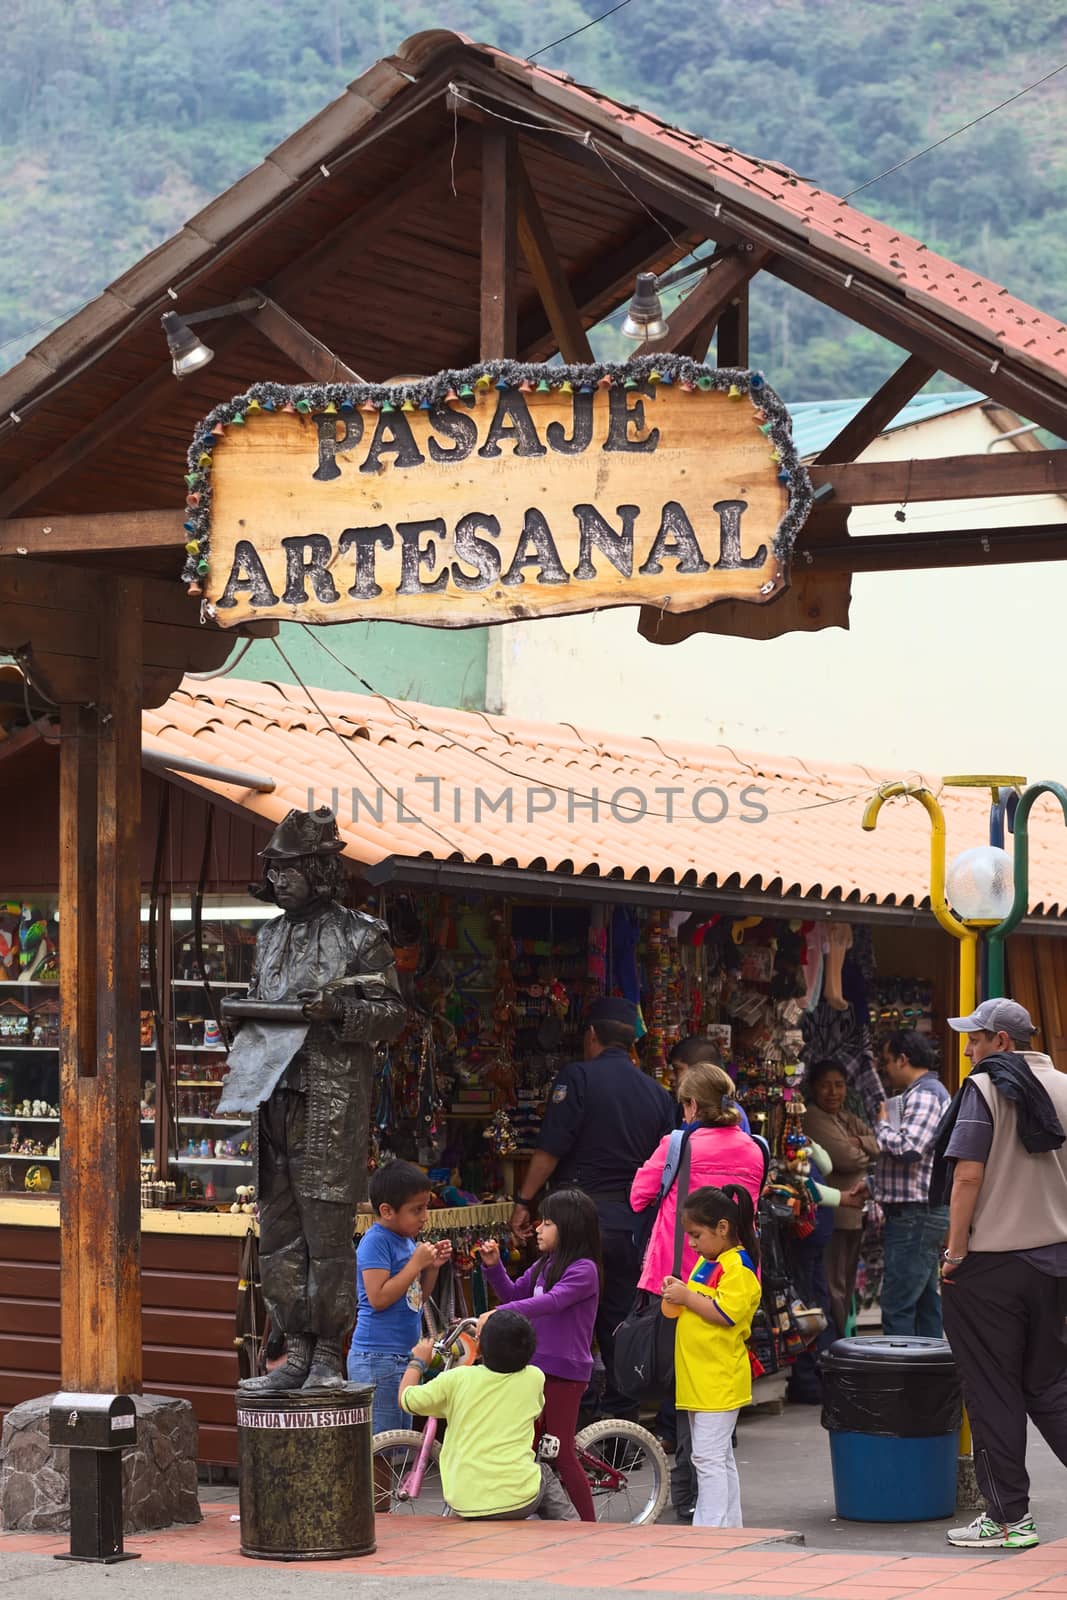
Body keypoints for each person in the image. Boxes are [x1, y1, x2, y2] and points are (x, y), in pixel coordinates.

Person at [222, 806, 407, 1392]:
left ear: (322, 870)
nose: (278, 882)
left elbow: (394, 1015)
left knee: (326, 1231)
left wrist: (340, 1012)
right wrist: (239, 1018)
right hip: (271, 1093)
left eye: (289, 870)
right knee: (278, 1227)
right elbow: (262, 1002)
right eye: (273, 871)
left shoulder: (362, 934)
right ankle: (294, 1350)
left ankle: (328, 1350)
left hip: (329, 1101)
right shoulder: (270, 935)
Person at [932, 998, 1067, 1552]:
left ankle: (1010, 1518)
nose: (968, 1051)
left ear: (1003, 1042)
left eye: (976, 1040)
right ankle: (1009, 1516)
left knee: (991, 1391)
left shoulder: (987, 1088)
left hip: (990, 1265)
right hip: (1056, 1260)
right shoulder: (1063, 1085)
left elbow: (967, 1176)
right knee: (1051, 1387)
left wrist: (955, 1252)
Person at [508, 997, 674, 1418]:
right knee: (617, 1317)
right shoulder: (658, 1094)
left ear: (592, 1036)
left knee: (566, 1315)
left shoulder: (578, 1078)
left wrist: (525, 1200)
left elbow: (551, 1148)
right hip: (631, 1224)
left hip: (581, 1221)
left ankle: (572, 1418)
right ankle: (621, 1422)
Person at [630, 1059, 767, 1520]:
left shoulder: (677, 1144)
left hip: (678, 1283)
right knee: (710, 1415)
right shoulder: (756, 1148)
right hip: (731, 1283)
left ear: (690, 1104)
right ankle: (709, 1508)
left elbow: (638, 1197)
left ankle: (695, 1506)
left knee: (686, 1392)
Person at [479, 1188, 601, 1521]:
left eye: (547, 1223)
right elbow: (516, 1292)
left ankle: (589, 1526)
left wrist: (500, 1311)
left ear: (570, 1227)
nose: (538, 1228)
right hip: (535, 1369)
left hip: (565, 1372)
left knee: (559, 1451)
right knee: (529, 1446)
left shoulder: (583, 1270)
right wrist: (493, 1268)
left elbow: (552, 1302)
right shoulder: (545, 1264)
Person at [399, 1309, 579, 1521]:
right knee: (544, 1472)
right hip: (520, 1500)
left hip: (465, 1502)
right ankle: (573, 1528)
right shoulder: (535, 1378)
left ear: (478, 1346)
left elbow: (406, 1399)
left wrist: (418, 1362)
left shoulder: (457, 1380)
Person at [661, 1184, 762, 1528]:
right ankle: (728, 1527)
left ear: (722, 1228)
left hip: (718, 1379)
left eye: (696, 1235)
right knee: (716, 1456)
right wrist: (680, 1293)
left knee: (706, 1457)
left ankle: (710, 1528)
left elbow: (726, 1314)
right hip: (700, 1378)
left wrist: (687, 1297)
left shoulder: (739, 1268)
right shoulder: (710, 1262)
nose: (691, 1243)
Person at [348, 1160, 451, 1433]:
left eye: (425, 1207)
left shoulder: (405, 1240)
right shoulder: (376, 1241)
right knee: (383, 1445)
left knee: (399, 1444)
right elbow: (378, 1298)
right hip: (377, 1358)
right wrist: (416, 1264)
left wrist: (432, 1269)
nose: (425, 1216)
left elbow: (414, 1299)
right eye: (416, 1210)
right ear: (387, 1211)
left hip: (401, 1357)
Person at [874, 1030, 951, 1336]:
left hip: (915, 1216)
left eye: (888, 1062)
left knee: (899, 1305)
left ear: (903, 1060)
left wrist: (880, 1126)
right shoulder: (924, 1093)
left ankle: (902, 1379)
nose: (886, 1069)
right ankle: (929, 1378)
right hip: (916, 1213)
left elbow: (910, 1149)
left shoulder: (925, 1095)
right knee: (923, 1303)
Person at [802, 1058, 878, 1336]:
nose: (833, 1092)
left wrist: (859, 1143)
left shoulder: (843, 1116)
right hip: (833, 1214)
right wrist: (862, 1152)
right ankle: (834, 1342)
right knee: (834, 1282)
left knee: (845, 1282)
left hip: (852, 1214)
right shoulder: (813, 1117)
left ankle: (841, 1339)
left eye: (839, 1085)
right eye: (825, 1086)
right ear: (814, 1088)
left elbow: (879, 1142)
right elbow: (844, 1159)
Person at [668, 1036, 751, 1132]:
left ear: (701, 1071)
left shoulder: (731, 1114)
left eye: (678, 1069)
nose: (671, 1077)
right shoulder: (683, 1107)